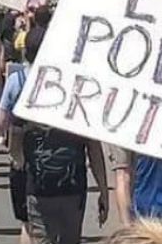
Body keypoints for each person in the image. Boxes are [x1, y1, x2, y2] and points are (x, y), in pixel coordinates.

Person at [24, 104, 109, 243]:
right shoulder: (82, 103)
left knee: (41, 238)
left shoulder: (31, 98)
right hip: (73, 187)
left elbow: (9, 131)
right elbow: (94, 150)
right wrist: (103, 190)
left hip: (39, 188)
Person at [0, 22, 45, 244]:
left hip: (21, 156)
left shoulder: (16, 79)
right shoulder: (57, 79)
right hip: (54, 157)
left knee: (27, 221)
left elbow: (0, 121)